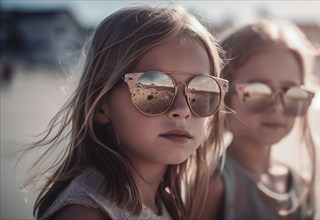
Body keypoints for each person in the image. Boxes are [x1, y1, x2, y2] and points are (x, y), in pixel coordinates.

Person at [19, 4, 228, 220]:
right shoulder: (86, 213)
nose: (182, 110)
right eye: (153, 88)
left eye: (201, 90)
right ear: (101, 105)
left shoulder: (168, 204)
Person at [201, 18, 320, 220]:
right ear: (223, 95)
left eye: (291, 92)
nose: (277, 107)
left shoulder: (301, 185)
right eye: (257, 92)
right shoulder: (214, 186)